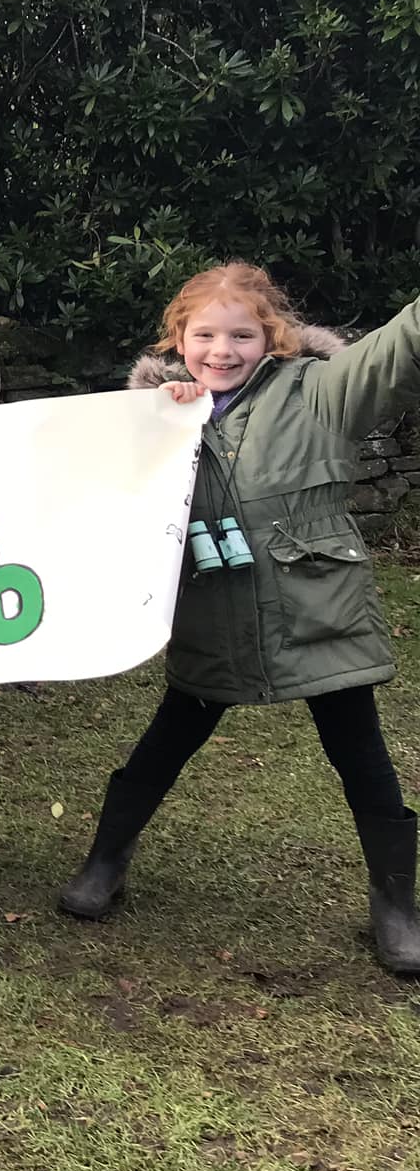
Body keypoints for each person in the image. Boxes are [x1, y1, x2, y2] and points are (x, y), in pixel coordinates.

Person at [59, 262, 420, 975]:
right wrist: (161, 417)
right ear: (178, 338)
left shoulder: (319, 392)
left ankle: (396, 904)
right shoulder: (154, 415)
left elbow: (394, 350)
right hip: (212, 616)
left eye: (241, 336)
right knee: (165, 744)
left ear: (273, 336)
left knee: (362, 759)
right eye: (205, 335)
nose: (221, 351)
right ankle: (105, 860)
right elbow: (59, 469)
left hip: (319, 614)